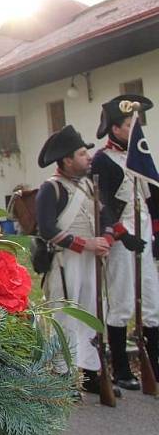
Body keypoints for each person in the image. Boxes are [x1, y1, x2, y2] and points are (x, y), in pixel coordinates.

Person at [35, 125, 118, 395]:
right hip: (65, 261)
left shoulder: (89, 185)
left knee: (92, 314)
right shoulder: (51, 188)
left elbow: (107, 217)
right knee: (65, 316)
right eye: (82, 154)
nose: (88, 158)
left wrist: (106, 238)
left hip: (90, 259)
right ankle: (63, 374)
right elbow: (47, 229)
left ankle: (91, 372)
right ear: (67, 160)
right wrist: (86, 244)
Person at [91, 94, 159, 389]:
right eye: (129, 124)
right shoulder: (102, 160)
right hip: (120, 239)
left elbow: (152, 199)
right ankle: (120, 369)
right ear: (115, 129)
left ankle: (154, 367)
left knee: (152, 301)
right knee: (120, 302)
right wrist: (121, 233)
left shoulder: (139, 156)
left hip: (143, 234)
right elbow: (102, 204)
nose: (134, 128)